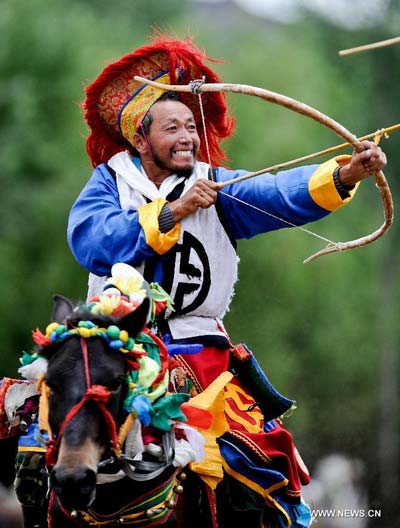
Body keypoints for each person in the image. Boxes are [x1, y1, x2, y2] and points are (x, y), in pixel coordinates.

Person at [66, 34, 386, 527]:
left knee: (262, 461)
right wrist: (173, 212)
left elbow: (275, 191)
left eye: (192, 127)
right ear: (140, 138)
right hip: (114, 350)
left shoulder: (215, 186)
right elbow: (94, 241)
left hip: (200, 354)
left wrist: (344, 175)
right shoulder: (109, 184)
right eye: (173, 128)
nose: (189, 138)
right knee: (49, 439)